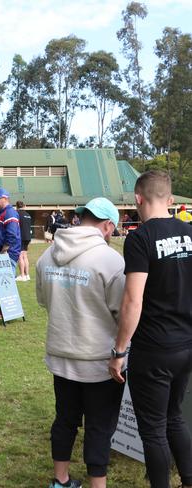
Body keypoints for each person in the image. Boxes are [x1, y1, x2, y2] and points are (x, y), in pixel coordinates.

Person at [108, 170, 192, 488]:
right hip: (186, 344)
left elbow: (132, 300)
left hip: (154, 349)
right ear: (170, 201)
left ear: (138, 199)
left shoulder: (140, 238)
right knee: (174, 417)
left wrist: (118, 351)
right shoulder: (190, 232)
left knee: (154, 428)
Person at [36, 197, 125, 488]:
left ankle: (60, 480)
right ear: (108, 225)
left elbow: (42, 300)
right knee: (99, 427)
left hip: (61, 356)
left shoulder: (47, 255)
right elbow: (121, 312)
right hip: (100, 360)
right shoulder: (111, 260)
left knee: (65, 420)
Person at [0, 188, 21, 268]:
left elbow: (11, 235)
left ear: (5, 199)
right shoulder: (0, 213)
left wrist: (3, 251)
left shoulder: (9, 213)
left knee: (5, 280)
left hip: (6, 256)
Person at [16, 201, 32, 281]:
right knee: (25, 256)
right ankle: (27, 275)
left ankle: (22, 276)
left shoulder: (17, 214)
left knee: (20, 256)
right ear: (24, 206)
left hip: (20, 237)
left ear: (16, 206)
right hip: (28, 237)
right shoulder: (28, 215)